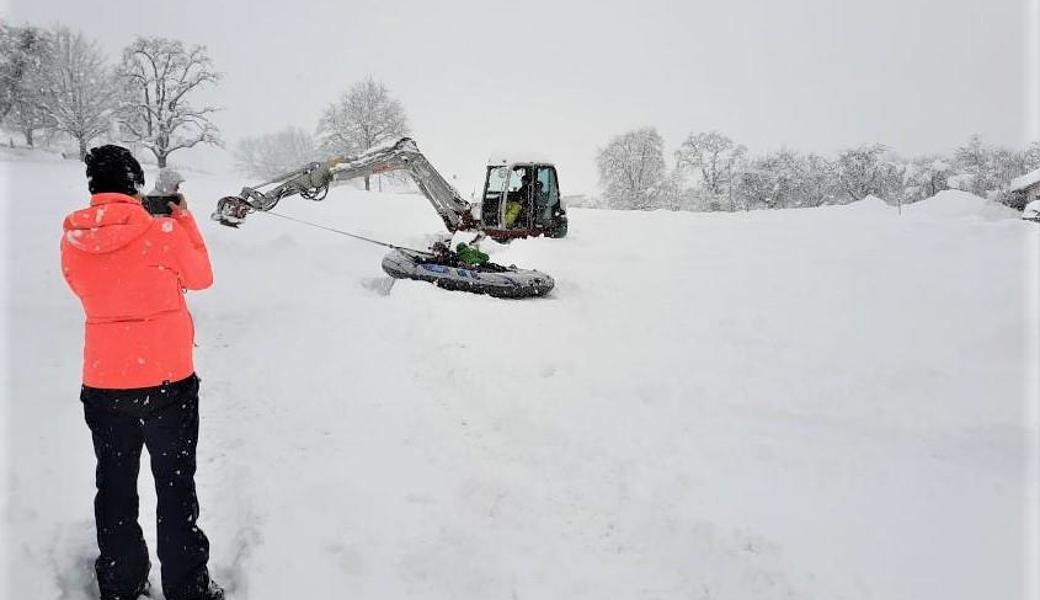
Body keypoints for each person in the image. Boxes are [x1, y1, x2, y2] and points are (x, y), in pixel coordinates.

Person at [60, 145, 222, 600]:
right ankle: (188, 588)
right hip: (168, 383)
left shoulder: (72, 239)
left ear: (93, 187)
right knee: (174, 488)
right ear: (135, 185)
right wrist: (183, 219)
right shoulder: (164, 231)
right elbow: (202, 276)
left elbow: (81, 286)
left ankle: (121, 582)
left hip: (104, 384)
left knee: (114, 486)